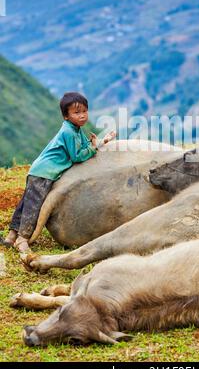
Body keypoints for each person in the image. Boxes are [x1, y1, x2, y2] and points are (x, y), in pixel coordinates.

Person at [0, 92, 116, 253]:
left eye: (84, 111)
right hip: (44, 173)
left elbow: (86, 145)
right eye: (77, 113)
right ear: (66, 116)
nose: (82, 116)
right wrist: (95, 146)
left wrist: (101, 141)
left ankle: (11, 237)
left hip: (39, 170)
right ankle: (22, 239)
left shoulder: (76, 129)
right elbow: (78, 156)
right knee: (34, 206)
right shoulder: (68, 132)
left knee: (26, 203)